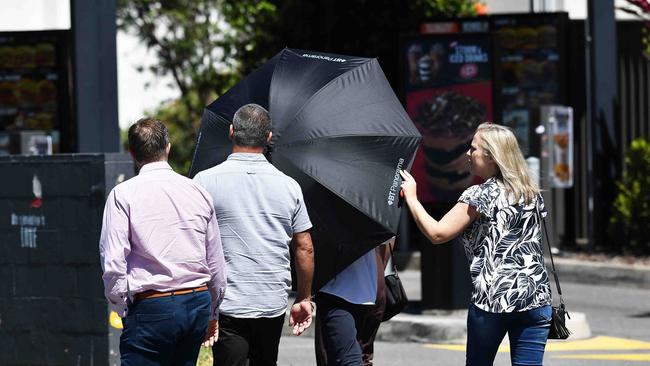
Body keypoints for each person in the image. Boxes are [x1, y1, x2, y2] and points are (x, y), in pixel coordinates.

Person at [400, 122, 552, 366]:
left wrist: (412, 198)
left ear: (491, 156)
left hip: (494, 300)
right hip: (535, 298)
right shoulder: (530, 193)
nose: (468, 155)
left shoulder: (479, 195)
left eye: (473, 149)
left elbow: (438, 234)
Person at [193, 103, 315, 366]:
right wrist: (304, 297)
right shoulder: (289, 186)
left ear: (231, 131)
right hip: (270, 302)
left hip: (226, 304)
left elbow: (192, 244)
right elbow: (304, 247)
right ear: (269, 137)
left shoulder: (203, 182)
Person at [99, 117, 226, 366]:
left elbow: (113, 263)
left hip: (150, 304)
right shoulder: (197, 191)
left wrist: (122, 307)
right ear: (168, 147)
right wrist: (212, 311)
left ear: (132, 153)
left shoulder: (122, 195)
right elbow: (216, 262)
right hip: (196, 302)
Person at [314, 239, 392, 366]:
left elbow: (305, 246)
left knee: (341, 358)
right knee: (362, 357)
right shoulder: (378, 219)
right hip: (371, 288)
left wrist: (304, 294)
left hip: (337, 290)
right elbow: (387, 244)